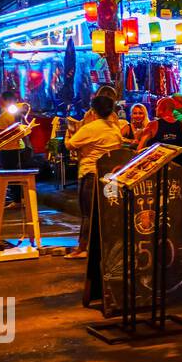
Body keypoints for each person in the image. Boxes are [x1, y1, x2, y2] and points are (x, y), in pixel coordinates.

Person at [64, 95, 126, 261]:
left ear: (93, 110)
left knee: (88, 213)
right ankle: (107, 246)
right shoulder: (114, 128)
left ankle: (82, 248)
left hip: (90, 173)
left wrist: (69, 132)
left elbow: (70, 145)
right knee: (108, 212)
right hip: (110, 176)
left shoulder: (90, 128)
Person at [0, 89, 27, 171]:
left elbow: (0, 134)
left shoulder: (4, 116)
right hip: (20, 147)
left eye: (0, 99)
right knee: (17, 172)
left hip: (8, 149)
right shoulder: (17, 113)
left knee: (9, 172)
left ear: (7, 100)